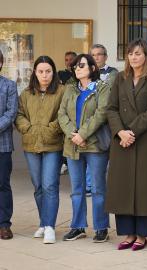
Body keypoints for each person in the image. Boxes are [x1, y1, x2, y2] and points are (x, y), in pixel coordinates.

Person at [105, 38, 147, 251]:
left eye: (138, 53)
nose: (133, 57)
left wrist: (131, 131)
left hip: (144, 140)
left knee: (144, 188)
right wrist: (120, 132)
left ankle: (142, 235)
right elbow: (110, 108)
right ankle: (128, 234)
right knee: (123, 187)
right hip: (121, 142)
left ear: (146, 56)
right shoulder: (120, 78)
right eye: (130, 53)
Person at [58, 54, 110, 243]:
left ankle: (101, 227)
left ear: (93, 68)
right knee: (77, 189)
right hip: (73, 145)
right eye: (75, 67)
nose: (77, 69)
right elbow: (61, 114)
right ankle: (78, 226)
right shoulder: (70, 89)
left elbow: (101, 113)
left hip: (95, 145)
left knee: (97, 189)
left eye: (81, 65)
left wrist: (83, 134)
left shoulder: (102, 88)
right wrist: (74, 134)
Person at [15, 56, 65, 244]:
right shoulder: (26, 94)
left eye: (48, 71)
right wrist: (28, 129)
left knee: (50, 185)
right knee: (38, 186)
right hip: (31, 145)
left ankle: (50, 226)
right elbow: (19, 115)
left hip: (53, 144)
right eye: (41, 71)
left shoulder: (62, 91)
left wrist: (49, 129)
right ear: (35, 73)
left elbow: (64, 115)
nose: (44, 75)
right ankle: (43, 223)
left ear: (54, 72)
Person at [84, 44, 118, 196]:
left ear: (105, 56)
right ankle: (89, 186)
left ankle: (106, 186)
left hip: (107, 120)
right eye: (93, 54)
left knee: (106, 152)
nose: (96, 57)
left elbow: (108, 91)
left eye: (99, 54)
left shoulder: (113, 73)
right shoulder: (85, 72)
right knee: (91, 152)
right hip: (89, 120)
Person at [0, 49, 18, 240]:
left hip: (2, 145)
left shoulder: (9, 86)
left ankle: (4, 224)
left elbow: (11, 113)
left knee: (2, 184)